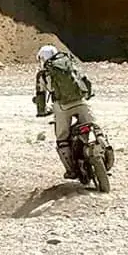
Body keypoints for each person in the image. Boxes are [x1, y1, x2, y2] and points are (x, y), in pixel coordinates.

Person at [33, 43, 101, 177]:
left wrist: (41, 111)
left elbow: (41, 94)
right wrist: (88, 94)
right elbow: (84, 79)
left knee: (62, 139)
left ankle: (71, 170)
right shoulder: (69, 63)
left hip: (62, 107)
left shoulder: (43, 74)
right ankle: (104, 147)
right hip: (81, 102)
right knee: (95, 127)